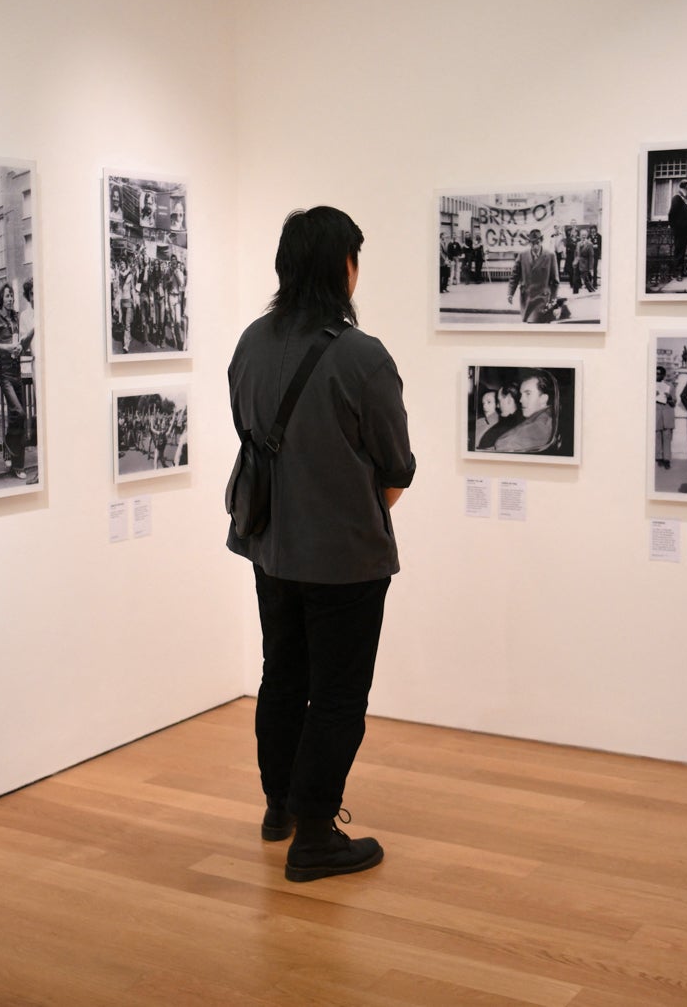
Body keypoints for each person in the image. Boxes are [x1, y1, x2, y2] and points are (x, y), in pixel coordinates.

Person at [227, 205, 415, 883]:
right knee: (337, 694)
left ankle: (279, 807)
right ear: (343, 267)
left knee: (283, 674)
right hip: (345, 558)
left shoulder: (250, 342)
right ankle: (315, 834)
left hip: (270, 546)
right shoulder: (363, 357)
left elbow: (250, 435)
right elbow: (396, 469)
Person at [0, 282, 28, 479]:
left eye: (12, 295)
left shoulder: (16, 317)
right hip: (5, 374)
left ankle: (18, 464)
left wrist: (20, 346)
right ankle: (8, 444)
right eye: (7, 296)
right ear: (1, 299)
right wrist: (7, 348)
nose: (10, 299)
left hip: (18, 371)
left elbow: (19, 340)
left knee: (19, 417)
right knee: (18, 413)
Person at [494, 369, 557, 453]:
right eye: (521, 394)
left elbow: (503, 444)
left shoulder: (543, 423)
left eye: (528, 394)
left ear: (543, 399)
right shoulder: (537, 417)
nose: (521, 400)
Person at [507, 229, 562, 324]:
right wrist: (510, 293)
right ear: (529, 243)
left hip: (543, 299)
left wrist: (553, 299)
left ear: (541, 241)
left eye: (537, 242)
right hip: (527, 297)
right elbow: (514, 276)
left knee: (539, 324)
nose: (535, 245)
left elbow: (555, 281)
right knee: (530, 325)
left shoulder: (550, 256)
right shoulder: (522, 255)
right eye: (532, 243)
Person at [478, 383, 520, 450]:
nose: (498, 406)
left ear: (509, 400)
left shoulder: (509, 425)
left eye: (499, 401)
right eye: (483, 403)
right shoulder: (516, 421)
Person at [668, 179, 687, 279]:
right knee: (679, 252)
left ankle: (681, 272)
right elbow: (672, 214)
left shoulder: (683, 198)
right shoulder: (677, 198)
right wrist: (675, 228)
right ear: (686, 186)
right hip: (680, 231)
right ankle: (677, 273)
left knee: (682, 251)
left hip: (684, 231)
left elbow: (684, 215)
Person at [653, 366, 676, 468]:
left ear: (663, 375)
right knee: (657, 436)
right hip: (656, 413)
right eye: (656, 373)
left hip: (667, 413)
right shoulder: (650, 385)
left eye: (660, 373)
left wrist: (670, 397)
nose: (658, 375)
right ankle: (658, 458)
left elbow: (674, 403)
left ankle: (667, 459)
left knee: (667, 437)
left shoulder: (669, 386)